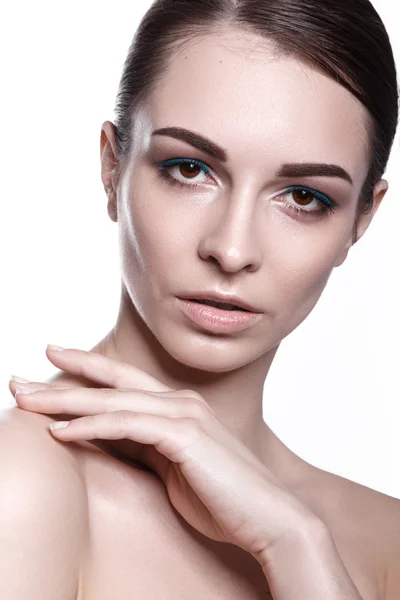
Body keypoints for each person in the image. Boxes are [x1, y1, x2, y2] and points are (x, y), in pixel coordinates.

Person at [2, 0, 400, 598]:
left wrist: (294, 545)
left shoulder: (385, 542)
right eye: (189, 169)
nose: (233, 249)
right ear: (112, 168)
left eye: (303, 196)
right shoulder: (25, 484)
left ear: (361, 221)